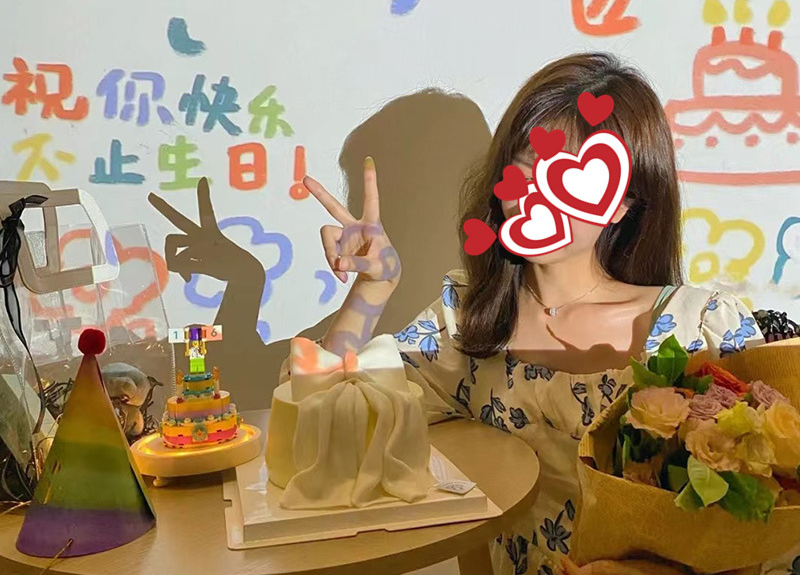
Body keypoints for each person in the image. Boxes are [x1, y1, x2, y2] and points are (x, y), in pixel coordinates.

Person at [302, 53, 792, 575]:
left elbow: (770, 525)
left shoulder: (704, 327)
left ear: (623, 203)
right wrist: (373, 289)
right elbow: (328, 417)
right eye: (527, 169)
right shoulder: (466, 318)